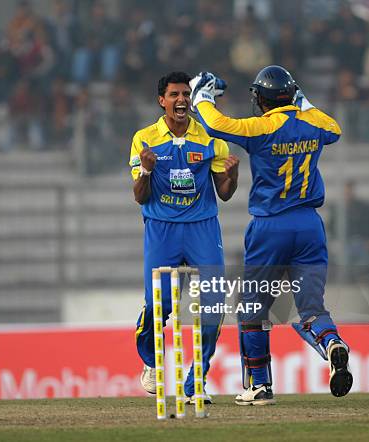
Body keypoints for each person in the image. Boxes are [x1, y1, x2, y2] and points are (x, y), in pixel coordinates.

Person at [190, 66, 353, 405]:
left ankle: (260, 386)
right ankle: (331, 342)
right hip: (309, 226)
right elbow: (334, 129)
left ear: (261, 100)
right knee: (310, 307)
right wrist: (303, 101)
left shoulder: (262, 127)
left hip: (270, 227)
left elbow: (216, 124)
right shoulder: (313, 123)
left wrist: (202, 97)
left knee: (252, 307)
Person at [131, 71, 239, 403]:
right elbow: (139, 196)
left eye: (186, 95)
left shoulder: (211, 139)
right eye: (174, 95)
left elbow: (225, 194)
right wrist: (147, 170)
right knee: (157, 306)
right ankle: (151, 362)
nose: (181, 100)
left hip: (201, 227)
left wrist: (232, 175)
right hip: (161, 229)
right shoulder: (145, 138)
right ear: (161, 100)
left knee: (213, 304)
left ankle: (195, 382)